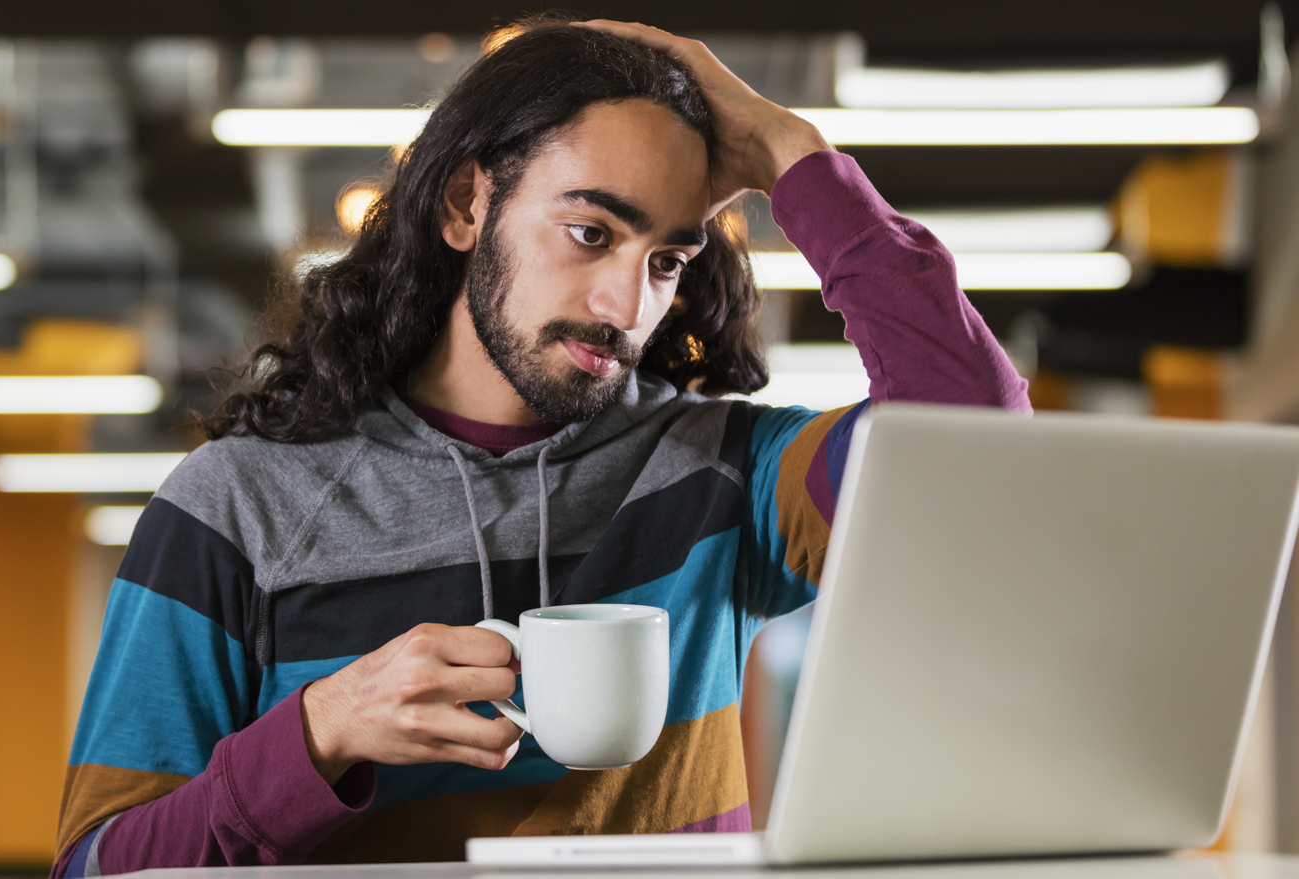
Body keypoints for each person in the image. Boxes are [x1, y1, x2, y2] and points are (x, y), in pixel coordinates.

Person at [54, 16, 1029, 875]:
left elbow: (977, 445)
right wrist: (319, 734)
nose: (625, 305)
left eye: (666, 260)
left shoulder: (726, 475)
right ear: (466, 205)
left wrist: (793, 154)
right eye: (590, 232)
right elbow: (99, 866)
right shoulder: (235, 506)